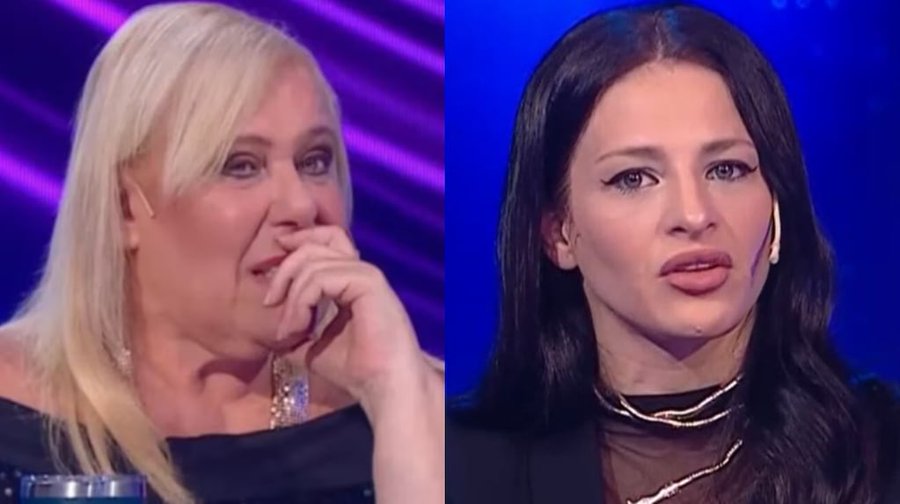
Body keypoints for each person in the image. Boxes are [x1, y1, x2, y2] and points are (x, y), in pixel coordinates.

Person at [447, 3, 899, 504]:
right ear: (557, 233)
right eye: (634, 178)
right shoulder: (457, 467)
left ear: (777, 205)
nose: (694, 214)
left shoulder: (882, 452)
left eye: (727, 169)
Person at [0, 3, 443, 503]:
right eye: (241, 165)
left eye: (315, 160)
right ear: (124, 208)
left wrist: (392, 391)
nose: (301, 205)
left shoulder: (421, 404)